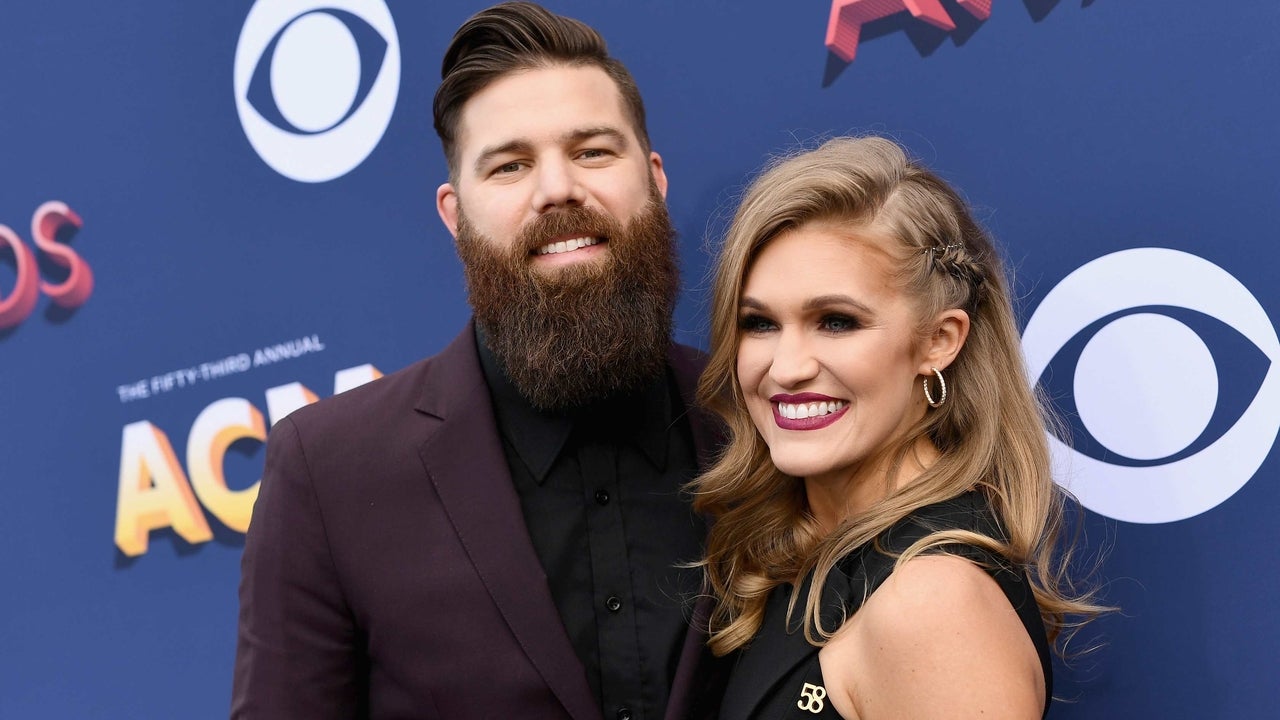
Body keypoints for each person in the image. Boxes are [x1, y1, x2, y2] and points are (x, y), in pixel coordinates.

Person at [232, 3, 724, 718]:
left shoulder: (763, 424)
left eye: (592, 151)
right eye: (509, 165)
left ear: (654, 179)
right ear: (454, 215)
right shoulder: (328, 473)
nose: (557, 189)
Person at [692, 137, 1105, 718]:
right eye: (759, 324)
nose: (785, 368)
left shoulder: (932, 602)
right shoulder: (814, 544)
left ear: (939, 341)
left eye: (836, 322)